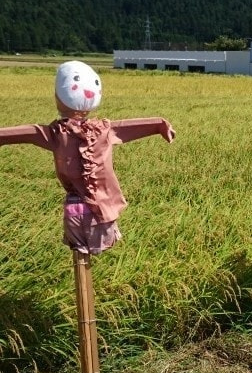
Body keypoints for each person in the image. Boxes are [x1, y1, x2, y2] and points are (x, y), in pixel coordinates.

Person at [0, 60, 175, 254]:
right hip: (101, 210)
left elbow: (27, 132)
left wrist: (159, 125)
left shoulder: (57, 133)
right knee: (88, 257)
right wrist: (160, 125)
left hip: (75, 208)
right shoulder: (102, 129)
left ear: (57, 95)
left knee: (79, 257)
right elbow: (127, 127)